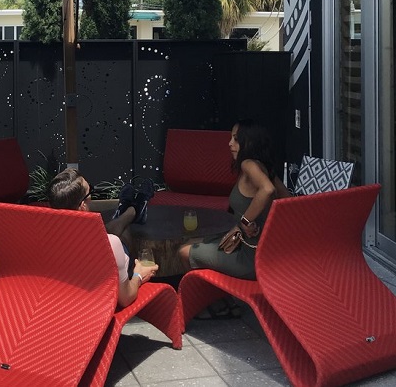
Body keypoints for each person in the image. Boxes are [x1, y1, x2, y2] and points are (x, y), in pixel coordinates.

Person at [179, 119, 291, 284]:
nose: (230, 143)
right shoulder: (266, 169)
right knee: (192, 240)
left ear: (250, 142)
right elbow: (289, 201)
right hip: (263, 254)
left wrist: (246, 221)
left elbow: (267, 189)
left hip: (250, 260)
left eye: (236, 139)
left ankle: (209, 300)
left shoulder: (248, 164)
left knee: (183, 251)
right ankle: (219, 297)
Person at [48, 168, 158, 308]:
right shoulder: (110, 244)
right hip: (98, 309)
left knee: (112, 231)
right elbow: (126, 298)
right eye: (90, 192)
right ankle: (133, 211)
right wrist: (139, 275)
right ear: (82, 206)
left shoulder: (46, 241)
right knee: (123, 234)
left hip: (67, 305)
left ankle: (128, 212)